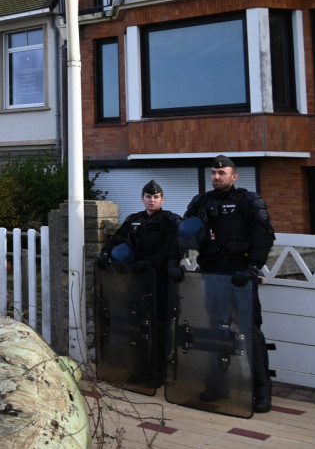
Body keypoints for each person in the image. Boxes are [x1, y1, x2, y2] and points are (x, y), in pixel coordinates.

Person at [177, 155, 276, 413]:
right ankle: (218, 386)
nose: (217, 177)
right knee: (216, 333)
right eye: (213, 173)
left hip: (241, 276)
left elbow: (264, 236)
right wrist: (176, 257)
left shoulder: (249, 201)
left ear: (234, 176)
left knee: (250, 333)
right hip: (213, 276)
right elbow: (185, 232)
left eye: (222, 174)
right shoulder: (201, 202)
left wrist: (253, 267)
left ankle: (261, 391)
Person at [95, 179, 181, 385]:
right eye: (148, 197)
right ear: (142, 198)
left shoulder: (170, 220)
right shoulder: (134, 219)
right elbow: (118, 239)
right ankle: (140, 369)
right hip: (137, 281)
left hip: (159, 281)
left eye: (156, 197)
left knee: (159, 328)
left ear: (162, 199)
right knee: (138, 325)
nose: (152, 200)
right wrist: (105, 254)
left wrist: (151, 263)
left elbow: (174, 247)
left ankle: (158, 372)